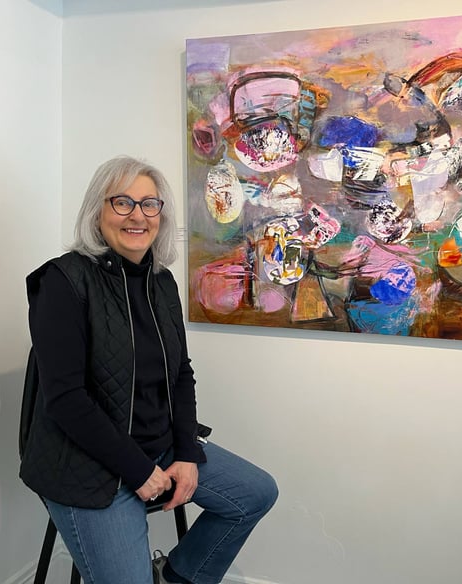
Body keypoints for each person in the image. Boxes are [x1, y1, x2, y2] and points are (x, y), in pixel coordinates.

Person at [20, 155, 278, 584]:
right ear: (97, 211)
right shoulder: (62, 281)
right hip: (85, 463)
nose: (137, 215)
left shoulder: (160, 281)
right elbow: (66, 400)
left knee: (256, 493)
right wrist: (138, 471)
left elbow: (181, 374)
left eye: (149, 204)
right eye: (122, 202)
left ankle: (176, 576)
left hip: (155, 447)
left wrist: (187, 454)